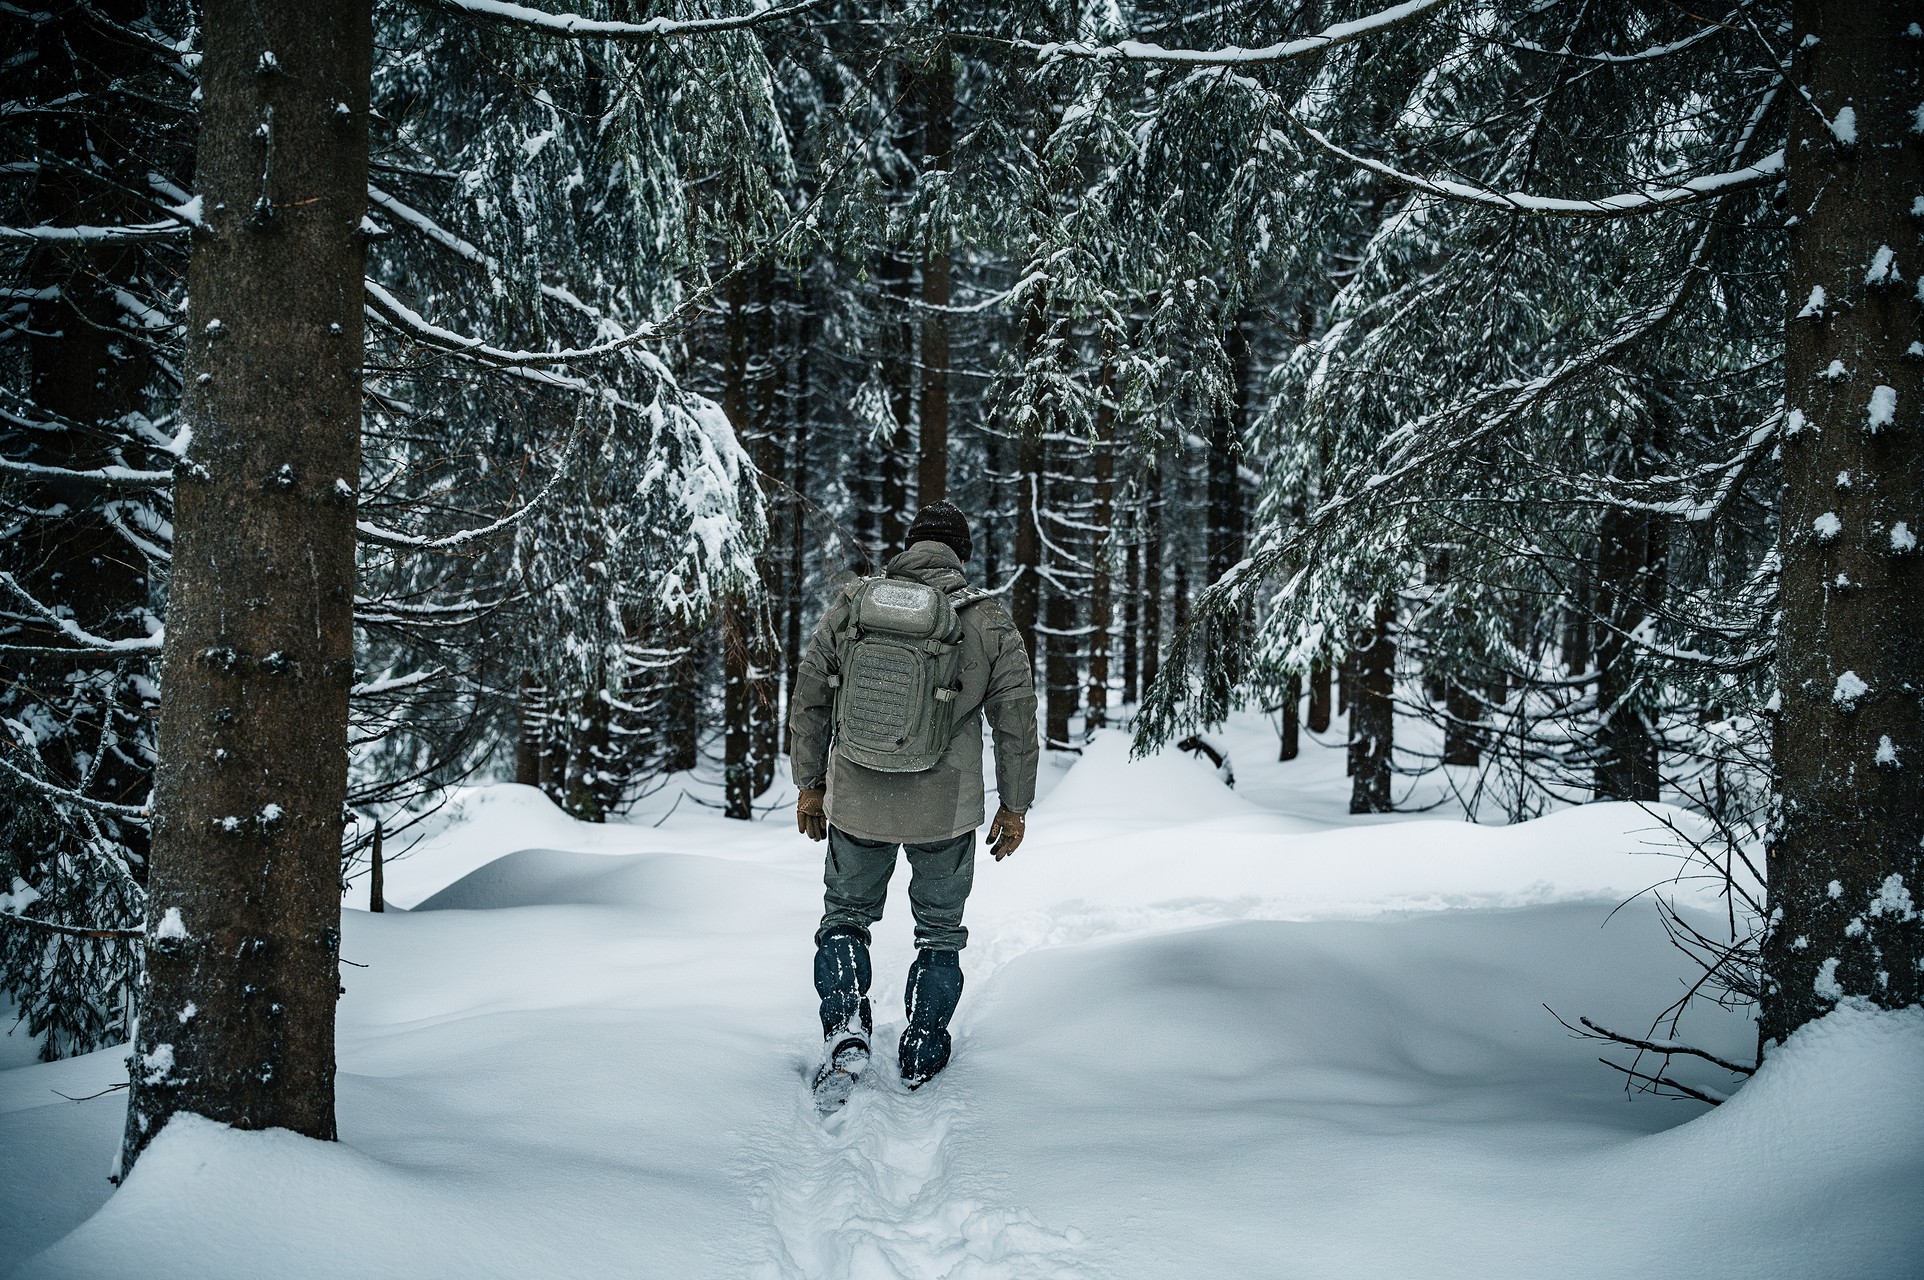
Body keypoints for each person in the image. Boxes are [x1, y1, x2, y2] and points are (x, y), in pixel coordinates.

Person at [789, 500, 1038, 1099]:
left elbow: (810, 693)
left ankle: (846, 1035)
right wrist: (1015, 804)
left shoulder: (855, 605)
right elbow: (1016, 717)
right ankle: (924, 1047)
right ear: (961, 553)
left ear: (909, 547)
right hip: (944, 808)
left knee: (845, 920)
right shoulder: (987, 619)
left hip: (857, 794)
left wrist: (810, 784)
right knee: (940, 932)